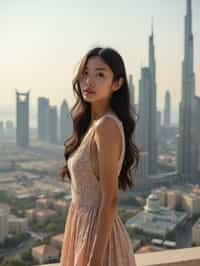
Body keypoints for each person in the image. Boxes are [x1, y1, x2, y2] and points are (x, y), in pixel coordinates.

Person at [59, 46, 139, 266]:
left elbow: (110, 199)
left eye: (100, 74)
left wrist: (94, 261)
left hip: (98, 240)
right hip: (82, 229)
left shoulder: (106, 127)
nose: (89, 81)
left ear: (117, 83)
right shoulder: (93, 125)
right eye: (85, 73)